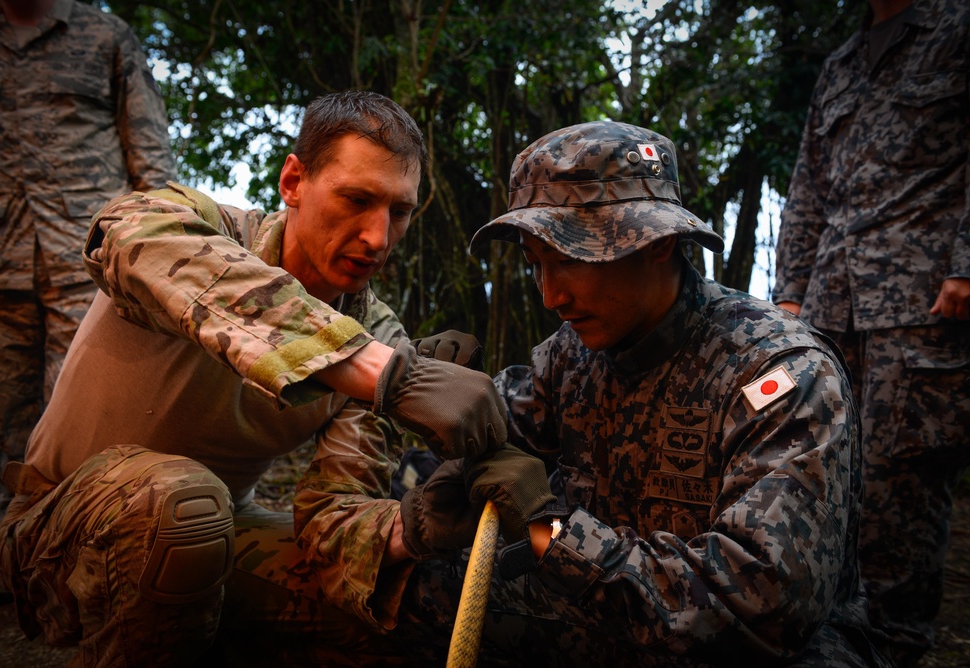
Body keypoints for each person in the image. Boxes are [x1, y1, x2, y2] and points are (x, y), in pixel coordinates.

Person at [294, 120, 888, 666]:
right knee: (408, 589)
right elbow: (498, 426)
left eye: (572, 259)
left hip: (749, 650)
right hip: (613, 622)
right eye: (535, 263)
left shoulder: (780, 376)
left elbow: (761, 610)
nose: (551, 295)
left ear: (657, 244)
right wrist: (423, 384)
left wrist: (547, 528)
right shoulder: (572, 355)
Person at [0, 89, 507, 666]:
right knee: (183, 506)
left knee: (409, 602)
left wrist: (413, 527)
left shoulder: (382, 341)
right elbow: (123, 232)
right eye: (356, 199)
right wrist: (376, 369)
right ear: (292, 182)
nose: (378, 238)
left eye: (400, 211)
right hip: (57, 530)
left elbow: (331, 519)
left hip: (221, 534)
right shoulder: (203, 232)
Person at [772, 1, 970, 665]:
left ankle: (894, 641)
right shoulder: (840, 64)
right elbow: (807, 186)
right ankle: (833, 636)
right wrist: (790, 294)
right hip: (832, 302)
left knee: (901, 476)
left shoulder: (955, 28)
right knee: (825, 466)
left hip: (923, 301)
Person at [0, 0, 177, 607]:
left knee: (83, 420)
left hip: (86, 258)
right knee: (10, 420)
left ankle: (90, 568)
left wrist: (160, 245)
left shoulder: (105, 35)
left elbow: (149, 151)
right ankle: (24, 565)